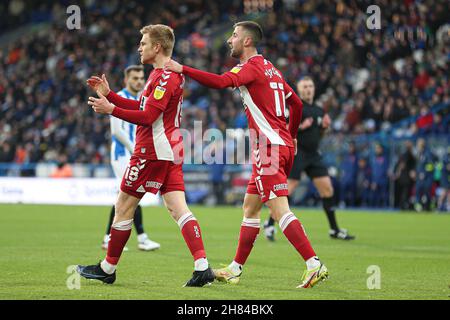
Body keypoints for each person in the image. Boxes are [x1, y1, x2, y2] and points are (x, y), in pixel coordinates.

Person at [165, 21, 328, 288]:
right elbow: (296, 104)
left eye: (234, 35)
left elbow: (219, 82)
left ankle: (313, 264)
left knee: (279, 210)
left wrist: (182, 68)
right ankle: (235, 268)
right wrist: (293, 135)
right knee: (250, 208)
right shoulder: (271, 69)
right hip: (281, 145)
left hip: (269, 149)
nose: (230, 40)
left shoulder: (249, 68)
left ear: (247, 42)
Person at [77, 24, 214, 287]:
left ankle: (107, 268)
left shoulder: (165, 77)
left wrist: (110, 110)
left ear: (157, 47)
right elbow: (142, 106)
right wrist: (111, 96)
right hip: (169, 152)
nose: (139, 47)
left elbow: (148, 117)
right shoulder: (158, 75)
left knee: (123, 207)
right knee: (178, 209)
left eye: (143, 42)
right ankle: (202, 267)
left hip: (151, 151)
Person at [264, 77, 355, 241]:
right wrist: (300, 126)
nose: (308, 89)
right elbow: (281, 129)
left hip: (313, 154)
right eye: (304, 86)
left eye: (310, 86)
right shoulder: (295, 107)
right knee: (288, 189)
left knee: (327, 189)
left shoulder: (319, 110)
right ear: (299, 90)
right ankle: (270, 224)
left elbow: (318, 135)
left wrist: (324, 128)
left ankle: (334, 229)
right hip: (297, 153)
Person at [102, 65, 160, 252]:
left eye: (141, 78)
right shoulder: (119, 97)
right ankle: (141, 238)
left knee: (124, 196)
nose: (139, 81)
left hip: (134, 153)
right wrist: (134, 148)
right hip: (122, 154)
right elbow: (116, 131)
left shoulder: (140, 99)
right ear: (126, 79)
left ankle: (109, 237)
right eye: (134, 78)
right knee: (131, 194)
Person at [369, 143, 389, 207]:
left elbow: (385, 171)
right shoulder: (373, 159)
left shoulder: (385, 159)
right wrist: (373, 181)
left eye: (379, 148)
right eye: (376, 148)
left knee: (384, 197)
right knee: (375, 199)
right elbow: (372, 172)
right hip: (375, 181)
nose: (377, 150)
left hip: (383, 181)